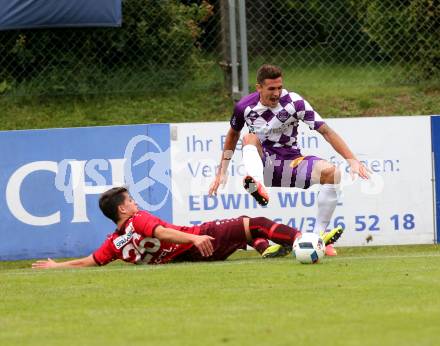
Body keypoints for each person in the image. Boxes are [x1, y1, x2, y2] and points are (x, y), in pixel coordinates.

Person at [209, 64, 369, 256]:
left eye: (279, 87)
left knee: (332, 173)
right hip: (264, 166)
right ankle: (257, 184)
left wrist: (352, 160)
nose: (276, 93)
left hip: (292, 164)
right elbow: (232, 135)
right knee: (249, 139)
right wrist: (222, 171)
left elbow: (326, 131)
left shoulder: (294, 102)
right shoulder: (244, 107)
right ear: (258, 87)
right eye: (271, 89)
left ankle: (317, 238)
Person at [31, 186, 343, 269]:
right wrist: (193, 239)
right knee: (256, 223)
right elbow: (162, 233)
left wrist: (56, 266)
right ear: (123, 209)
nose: (136, 204)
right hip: (196, 241)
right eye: (131, 200)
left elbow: (89, 261)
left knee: (252, 235)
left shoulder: (114, 242)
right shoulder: (137, 220)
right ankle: (309, 240)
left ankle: (268, 249)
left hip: (190, 257)